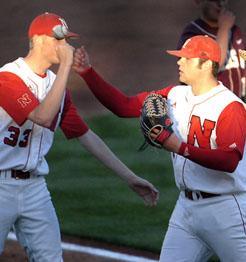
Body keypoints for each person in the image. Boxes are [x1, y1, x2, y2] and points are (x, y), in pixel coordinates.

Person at [73, 35, 246, 261]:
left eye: (186, 59)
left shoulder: (230, 107)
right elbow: (123, 106)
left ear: (206, 64)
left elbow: (229, 161)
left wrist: (177, 146)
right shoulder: (174, 95)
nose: (179, 62)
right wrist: (87, 73)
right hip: (186, 210)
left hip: (227, 210)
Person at [0, 12, 158, 262]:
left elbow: (87, 136)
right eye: (59, 40)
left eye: (66, 40)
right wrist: (65, 68)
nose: (65, 47)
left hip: (35, 189)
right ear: (39, 39)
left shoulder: (56, 85)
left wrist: (130, 178)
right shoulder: (8, 78)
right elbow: (41, 116)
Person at [178, 0, 246, 218]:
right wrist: (224, 28)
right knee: (229, 187)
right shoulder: (192, 34)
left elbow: (240, 68)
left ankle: (237, 236)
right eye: (214, 0)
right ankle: (232, 235)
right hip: (211, 117)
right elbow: (216, 62)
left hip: (238, 117)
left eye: (223, 0)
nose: (221, 4)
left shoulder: (236, 30)